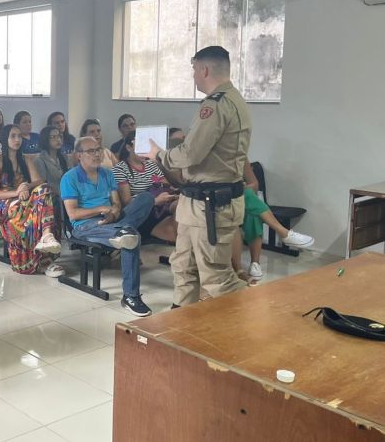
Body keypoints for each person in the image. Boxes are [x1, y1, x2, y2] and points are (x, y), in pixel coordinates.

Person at [147, 45, 252, 306]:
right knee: (183, 266)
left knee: (217, 278)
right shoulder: (233, 99)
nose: (193, 75)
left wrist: (160, 155)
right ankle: (182, 320)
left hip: (211, 207)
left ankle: (254, 319)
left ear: (204, 69)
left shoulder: (216, 105)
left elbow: (191, 153)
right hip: (197, 203)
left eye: (194, 69)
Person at [61, 136, 154, 316]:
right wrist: (101, 209)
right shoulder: (70, 178)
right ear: (79, 155)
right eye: (91, 151)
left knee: (146, 198)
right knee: (131, 237)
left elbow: (117, 203)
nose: (97, 154)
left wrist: (113, 213)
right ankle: (131, 296)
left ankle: (121, 232)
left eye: (98, 149)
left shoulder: (107, 173)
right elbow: (73, 214)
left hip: (112, 221)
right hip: (85, 227)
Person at [0, 124, 61, 274]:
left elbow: (39, 181)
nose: (17, 139)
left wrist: (25, 187)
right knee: (35, 206)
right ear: (5, 139)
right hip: (5, 204)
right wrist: (16, 192)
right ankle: (39, 260)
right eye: (13, 136)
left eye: (19, 136)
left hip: (26, 199)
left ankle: (46, 238)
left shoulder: (26, 159)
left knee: (45, 189)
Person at [232, 160, 314, 280]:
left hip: (241, 203)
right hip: (222, 204)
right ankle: (284, 233)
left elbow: (254, 184)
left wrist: (244, 188)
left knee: (253, 214)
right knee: (249, 200)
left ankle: (252, 265)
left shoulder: (241, 158)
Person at [113, 132, 178, 243]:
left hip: (162, 207)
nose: (144, 151)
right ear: (129, 147)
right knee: (179, 232)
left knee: (183, 205)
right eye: (140, 147)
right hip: (143, 213)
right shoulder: (120, 169)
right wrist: (155, 201)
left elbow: (167, 185)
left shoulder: (151, 165)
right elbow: (127, 203)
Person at [31, 126, 69, 278]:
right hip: (51, 196)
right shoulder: (39, 159)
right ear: (46, 140)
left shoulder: (63, 158)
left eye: (59, 136)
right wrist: (63, 193)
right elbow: (43, 183)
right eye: (53, 137)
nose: (58, 139)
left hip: (66, 194)